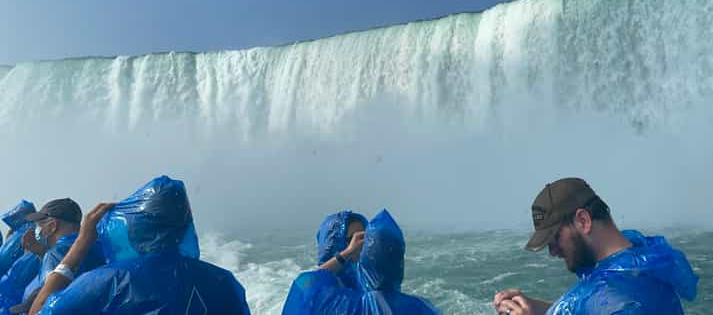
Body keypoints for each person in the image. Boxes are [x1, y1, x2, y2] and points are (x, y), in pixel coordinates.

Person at [30, 175, 251, 315]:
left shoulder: (107, 281)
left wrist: (81, 243)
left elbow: (39, 312)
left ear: (132, 229)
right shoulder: (223, 282)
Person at [493, 178, 699, 315]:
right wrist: (539, 308)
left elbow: (609, 302)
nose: (553, 251)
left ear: (583, 220)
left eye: (555, 238)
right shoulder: (637, 258)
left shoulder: (622, 294)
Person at [283, 209, 441, 314]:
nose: (359, 245)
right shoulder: (332, 296)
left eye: (365, 238)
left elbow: (306, 286)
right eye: (351, 239)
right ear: (333, 244)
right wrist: (346, 254)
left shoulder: (354, 297)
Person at [8, 198, 105, 314]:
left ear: (52, 226)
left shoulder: (55, 252)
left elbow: (46, 302)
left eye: (39, 225)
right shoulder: (95, 246)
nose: (36, 231)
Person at [315, 210, 368, 289]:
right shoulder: (327, 286)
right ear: (336, 245)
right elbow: (312, 282)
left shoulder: (368, 274)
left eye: (363, 237)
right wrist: (348, 253)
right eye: (351, 239)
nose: (360, 243)